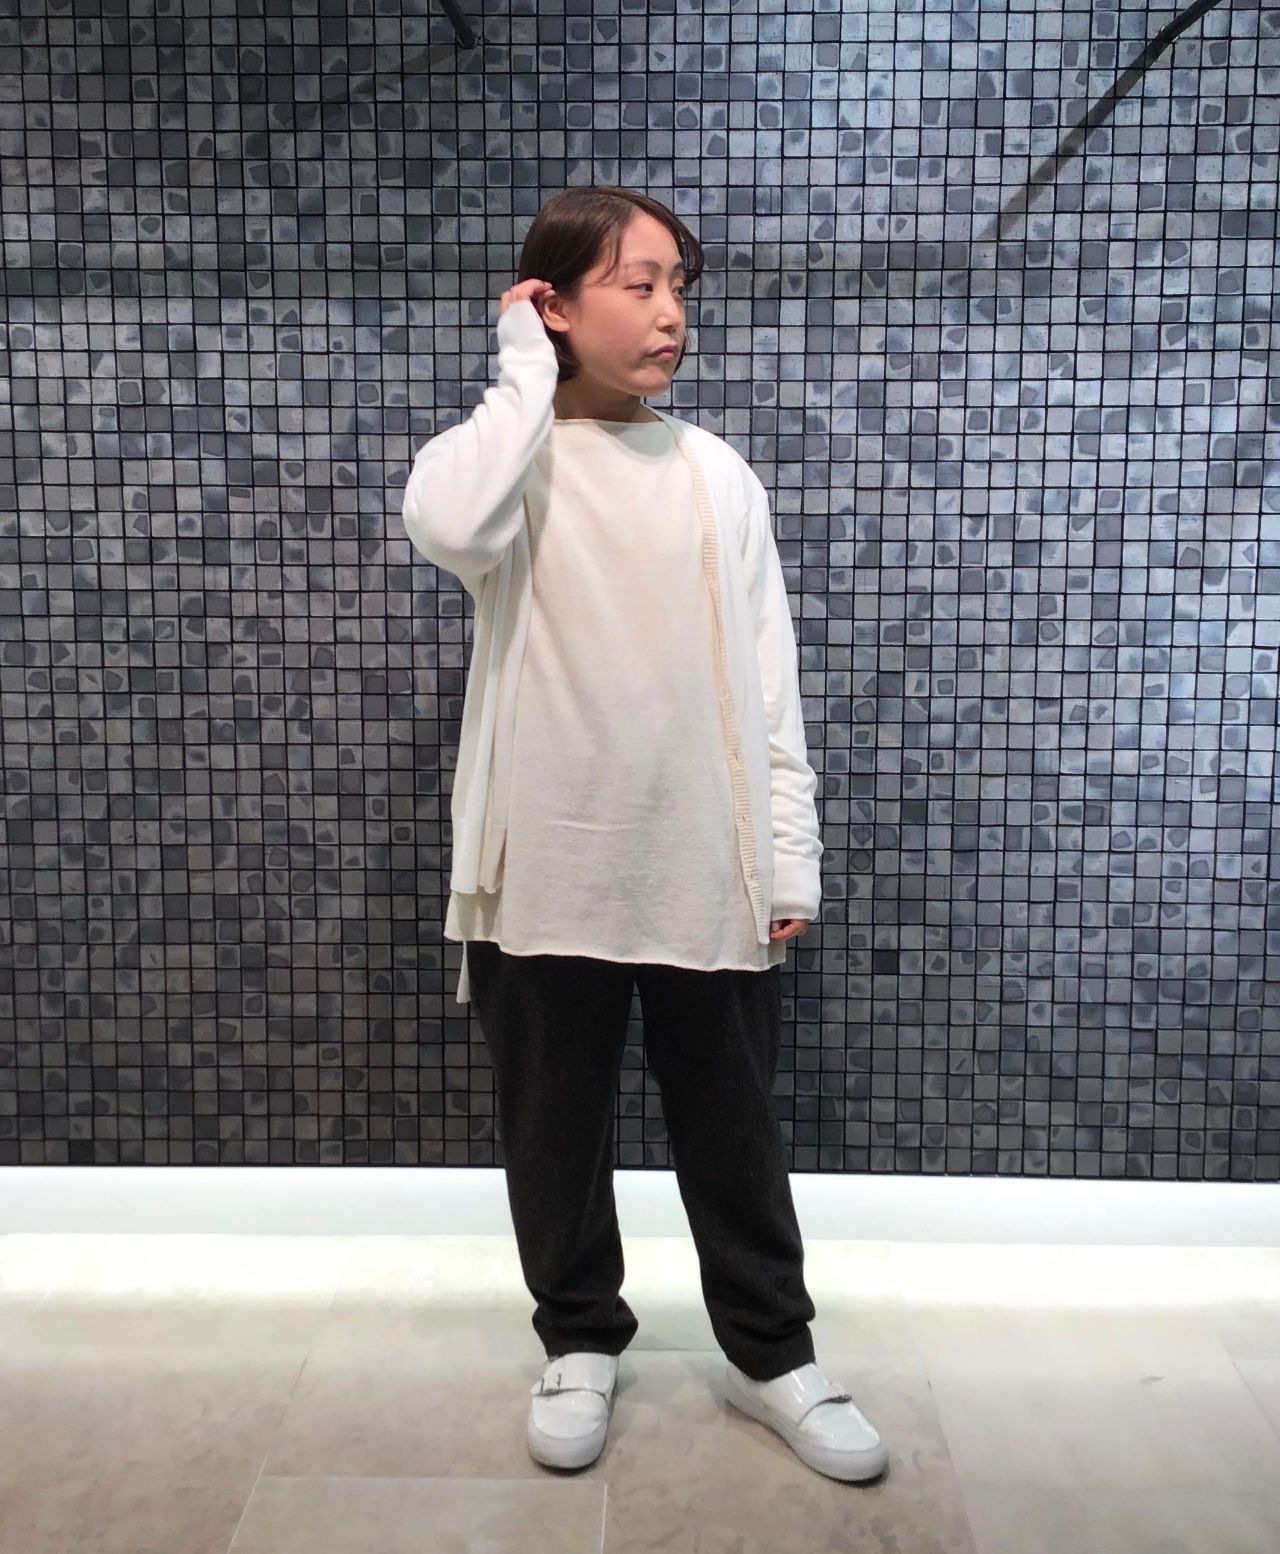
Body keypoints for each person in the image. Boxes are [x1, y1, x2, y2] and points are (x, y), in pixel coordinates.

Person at [401, 185, 888, 1484]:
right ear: (554, 305)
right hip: (543, 862)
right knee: (553, 1128)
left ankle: (774, 1353)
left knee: (733, 1129)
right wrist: (520, 368)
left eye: (681, 285)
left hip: (702, 859)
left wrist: (788, 851)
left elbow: (769, 683)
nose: (672, 312)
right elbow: (448, 525)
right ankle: (578, 1336)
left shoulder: (715, 474)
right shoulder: (503, 464)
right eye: (639, 284)